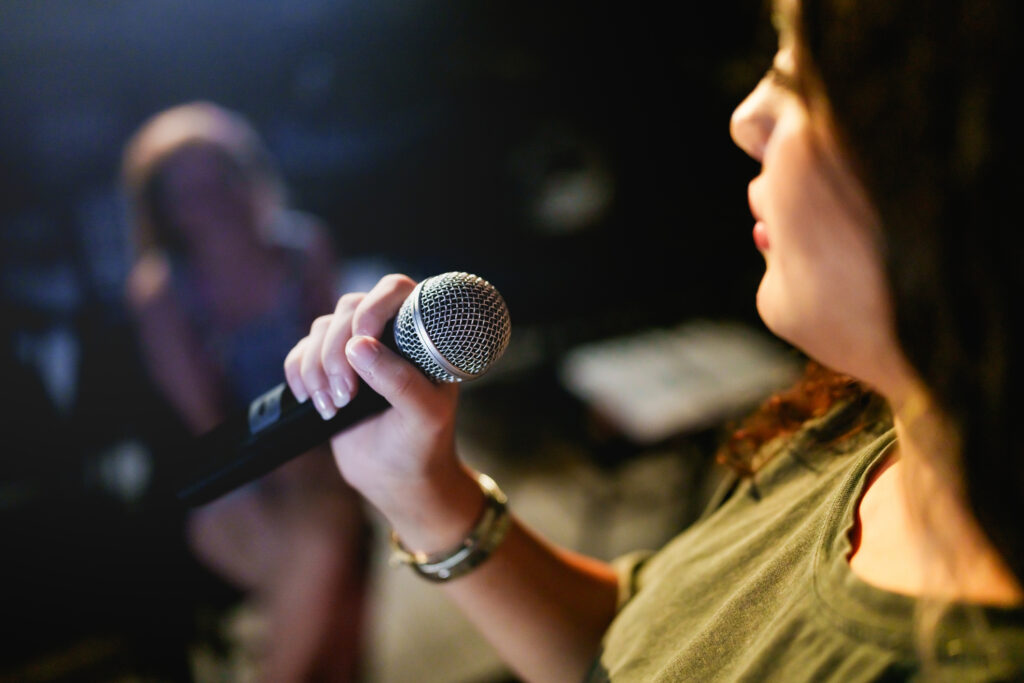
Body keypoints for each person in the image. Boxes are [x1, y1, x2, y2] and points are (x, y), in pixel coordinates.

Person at [283, 0, 1024, 679]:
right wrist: (422, 492)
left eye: (805, 83)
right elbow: (649, 645)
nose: (748, 117)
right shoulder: (865, 424)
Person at [122, 101, 369, 682]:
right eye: (189, 193)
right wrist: (294, 466)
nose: (211, 203)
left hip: (320, 454)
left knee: (330, 548)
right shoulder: (162, 291)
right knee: (328, 550)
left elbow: (341, 370)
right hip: (230, 477)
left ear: (246, 174)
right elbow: (210, 426)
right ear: (163, 209)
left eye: (219, 180)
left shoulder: (303, 248)